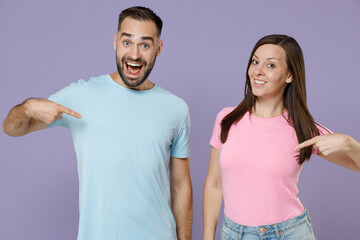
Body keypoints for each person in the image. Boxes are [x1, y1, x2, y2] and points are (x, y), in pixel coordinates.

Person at [3, 6, 192, 240]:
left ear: (158, 49)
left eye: (145, 45)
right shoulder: (81, 96)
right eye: (127, 42)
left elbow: (181, 186)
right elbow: (10, 128)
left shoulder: (176, 109)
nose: (134, 54)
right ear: (115, 42)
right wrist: (29, 106)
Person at [203, 34, 360, 240]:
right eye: (255, 61)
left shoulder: (302, 128)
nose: (257, 71)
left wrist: (350, 144)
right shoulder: (227, 119)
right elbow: (214, 184)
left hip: (288, 233)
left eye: (270, 65)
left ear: (289, 75)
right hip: (234, 234)